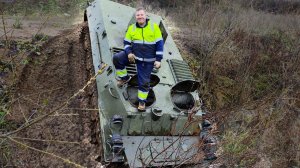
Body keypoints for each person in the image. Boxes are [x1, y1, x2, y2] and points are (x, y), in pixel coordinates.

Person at [113, 7, 164, 111]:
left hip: (148, 60)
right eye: (138, 15)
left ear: (145, 16)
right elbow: (126, 42)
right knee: (117, 58)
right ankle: (124, 78)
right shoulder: (132, 28)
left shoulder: (154, 27)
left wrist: (158, 59)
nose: (140, 17)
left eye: (142, 15)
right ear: (136, 17)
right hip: (135, 56)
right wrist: (129, 53)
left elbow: (159, 44)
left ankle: (141, 102)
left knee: (144, 82)